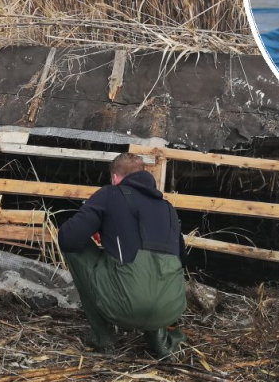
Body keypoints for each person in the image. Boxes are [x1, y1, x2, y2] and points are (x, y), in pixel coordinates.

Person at [58, 152, 187, 358]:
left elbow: (69, 238)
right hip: (171, 309)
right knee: (155, 269)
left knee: (75, 248)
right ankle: (161, 341)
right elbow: (181, 257)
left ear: (115, 178)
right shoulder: (167, 208)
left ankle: (103, 337)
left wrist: (99, 227)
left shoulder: (110, 193)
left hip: (126, 308)